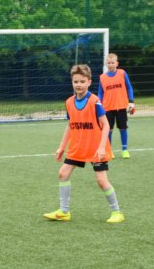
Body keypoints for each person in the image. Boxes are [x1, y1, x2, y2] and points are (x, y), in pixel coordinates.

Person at [43, 64, 125, 224]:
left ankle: (117, 212)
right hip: (78, 147)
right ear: (72, 82)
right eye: (75, 81)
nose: (78, 85)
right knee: (63, 173)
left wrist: (102, 147)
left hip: (96, 148)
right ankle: (64, 211)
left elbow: (106, 125)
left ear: (89, 82)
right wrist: (61, 147)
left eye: (82, 81)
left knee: (101, 181)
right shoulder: (68, 102)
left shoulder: (94, 101)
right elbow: (70, 125)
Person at [98, 53, 135, 159]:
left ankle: (125, 150)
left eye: (112, 62)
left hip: (121, 107)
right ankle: (109, 151)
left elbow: (129, 88)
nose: (110, 65)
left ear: (117, 63)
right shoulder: (102, 77)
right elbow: (100, 93)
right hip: (107, 108)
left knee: (123, 128)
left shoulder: (122, 73)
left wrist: (131, 101)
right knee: (108, 130)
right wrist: (99, 104)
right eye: (108, 63)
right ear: (106, 63)